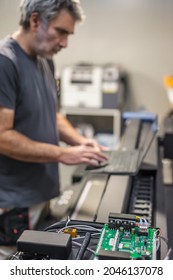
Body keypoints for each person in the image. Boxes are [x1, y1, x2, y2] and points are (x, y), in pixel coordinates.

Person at [0, 0, 108, 258]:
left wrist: (80, 142)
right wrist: (62, 154)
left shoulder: (44, 60)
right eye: (61, 32)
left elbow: (53, 114)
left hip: (41, 193)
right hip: (14, 202)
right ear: (35, 21)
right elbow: (2, 136)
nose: (64, 43)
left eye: (68, 35)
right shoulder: (5, 62)